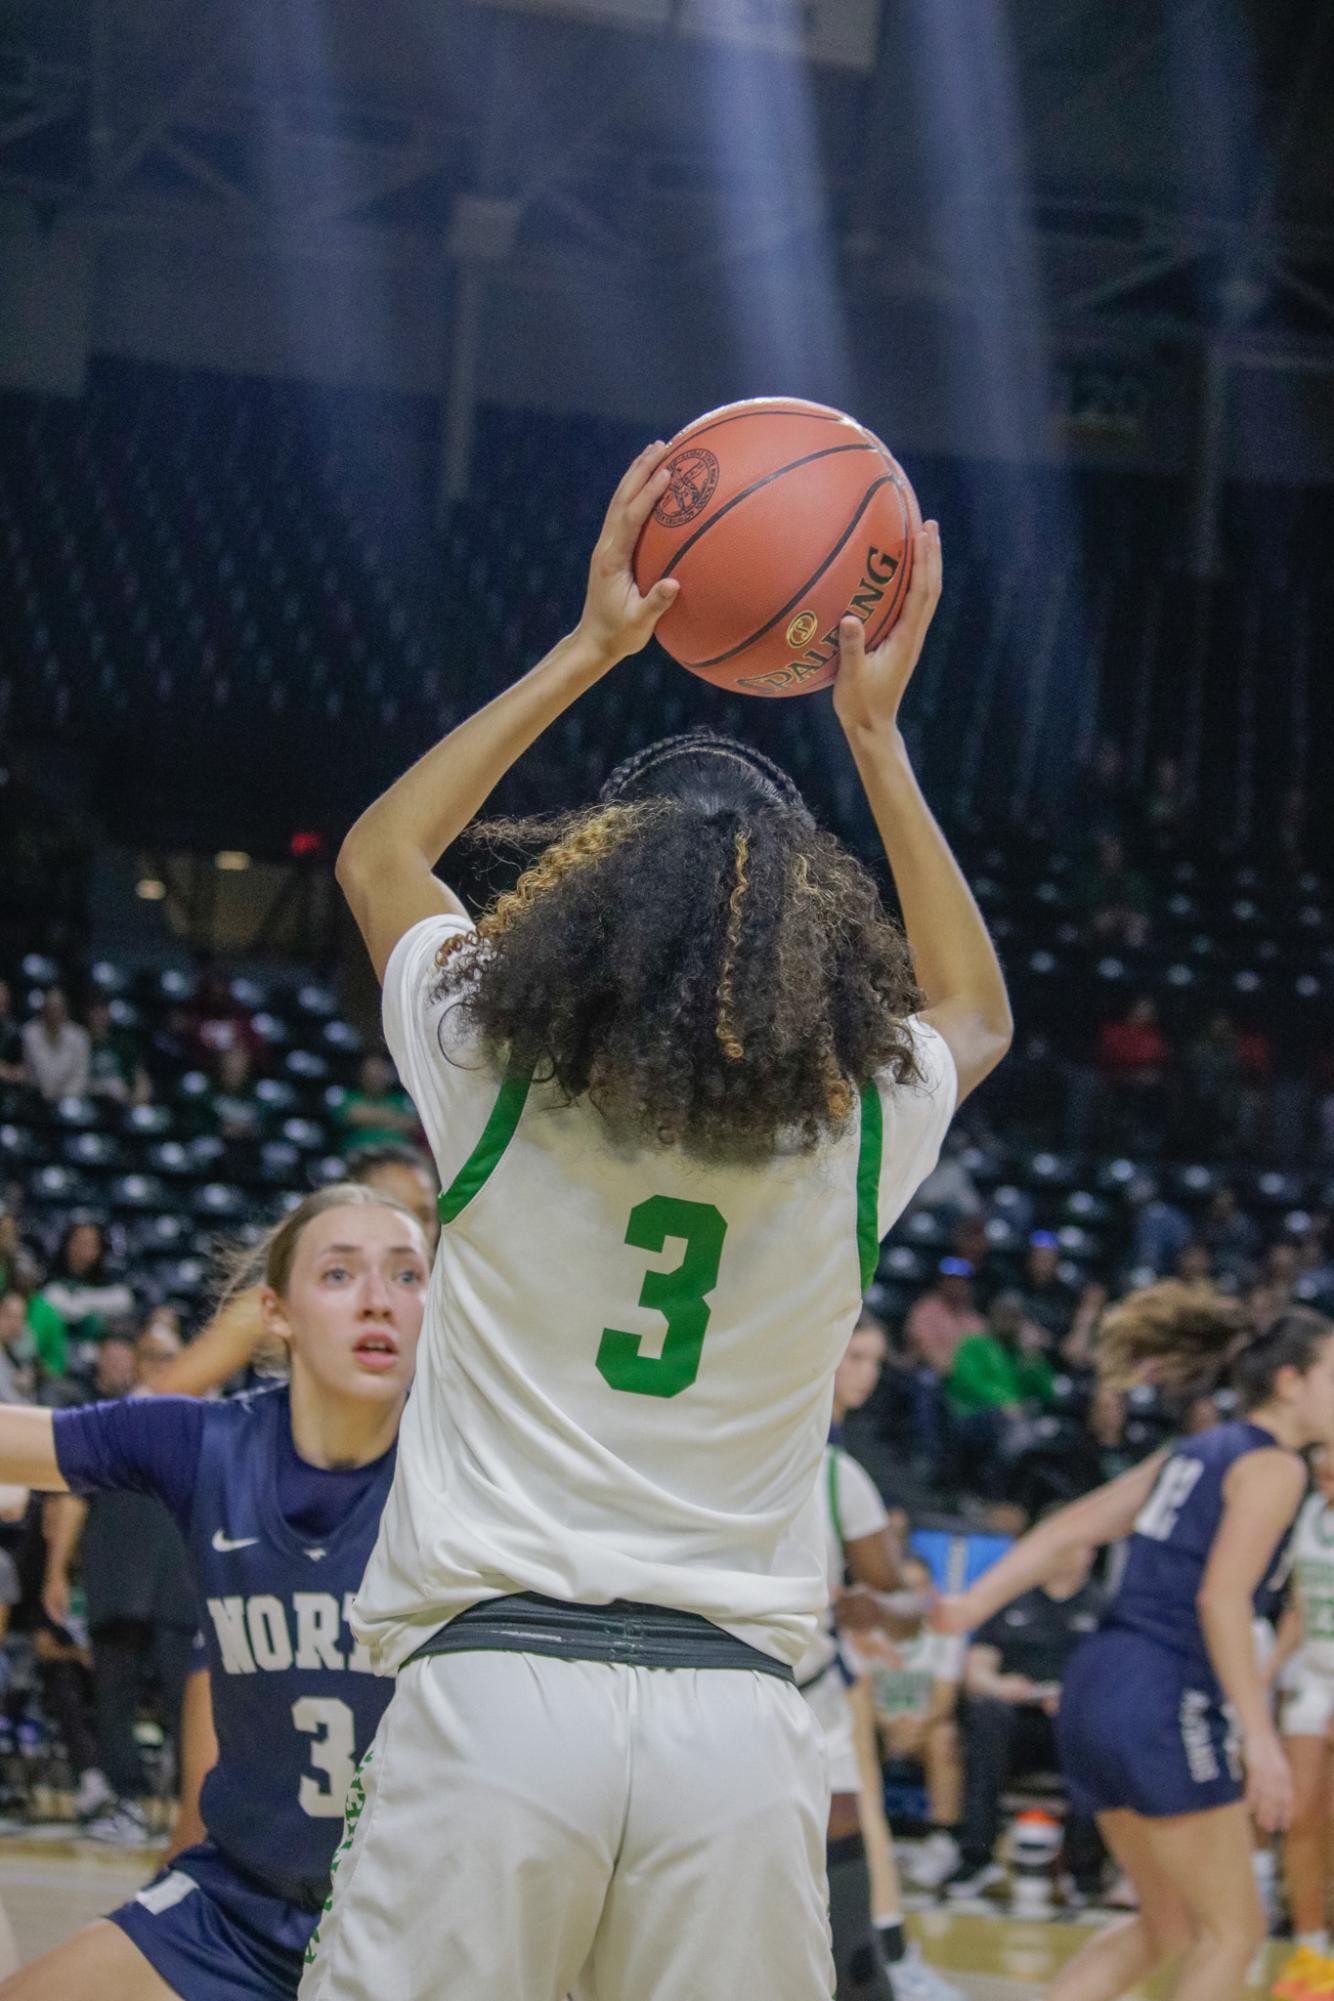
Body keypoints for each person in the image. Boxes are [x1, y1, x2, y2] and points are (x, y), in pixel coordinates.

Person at [310, 447, 1010, 2001]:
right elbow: (971, 1009)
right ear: (805, 935)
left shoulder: (491, 1073)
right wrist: (877, 738)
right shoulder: (854, 1127)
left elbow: (378, 856)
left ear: (583, 901)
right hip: (738, 1732)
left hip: (495, 1699)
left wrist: (590, 644)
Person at [0, 1182, 429, 2001]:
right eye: (340, 1274)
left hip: (421, 1924)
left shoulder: (475, 1473)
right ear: (275, 1311)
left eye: (407, 1276)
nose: (378, 1300)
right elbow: (27, 1443)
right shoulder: (201, 1443)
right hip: (239, 1908)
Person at [935, 1287, 1334, 2001]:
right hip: (1163, 1689)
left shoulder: (1191, 1451)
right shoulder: (1276, 1465)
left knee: (1169, 1924)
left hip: (1098, 1680)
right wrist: (1263, 1738)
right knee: (1233, 1932)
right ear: (1290, 1382)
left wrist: (971, 1602)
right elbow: (1222, 1597)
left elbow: (1069, 1528)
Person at [801, 1318, 962, 2001]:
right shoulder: (813, 1456)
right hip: (774, 1674)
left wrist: (864, 1610)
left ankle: (880, 1951)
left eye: (874, 1358)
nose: (865, 1371)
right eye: (854, 1355)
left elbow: (892, 1601)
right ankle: (881, 1951)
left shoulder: (840, 1464)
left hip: (819, 1670)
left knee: (854, 1810)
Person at [942, 1539, 1104, 1903]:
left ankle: (1085, 1871)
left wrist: (1075, 1697)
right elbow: (976, 1669)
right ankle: (976, 1856)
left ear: (1089, 1552)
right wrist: (1001, 1686)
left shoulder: (1104, 1607)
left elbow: (1119, 1677)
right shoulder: (1014, 1599)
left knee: (1098, 1728)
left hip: (1073, 1721)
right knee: (984, 1715)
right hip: (1015, 1721)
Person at [1267, 1448, 1334, 1996]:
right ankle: (1312, 1952)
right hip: (1315, 1673)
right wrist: (1264, 1671)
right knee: (1302, 1814)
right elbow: (1298, 1604)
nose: (1325, 1468)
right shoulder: (1310, 1512)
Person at [865, 1554, 964, 1893]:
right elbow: (859, 1693)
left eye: (917, 1587)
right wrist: (888, 1726)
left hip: (924, 1726)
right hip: (876, 1725)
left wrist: (913, 1728)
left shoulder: (945, 1633)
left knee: (944, 1738)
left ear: (930, 1592)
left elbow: (944, 1698)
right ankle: (863, 1837)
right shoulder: (866, 1633)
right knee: (852, 1733)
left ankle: (942, 1841)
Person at [333, 1054, 418, 1155]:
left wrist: (370, 1116)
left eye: (380, 1073)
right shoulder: (348, 1096)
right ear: (362, 1075)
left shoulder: (401, 1099)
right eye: (371, 1073)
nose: (376, 1077)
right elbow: (352, 1116)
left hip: (398, 1153)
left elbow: (412, 1124)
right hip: (360, 1152)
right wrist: (392, 1116)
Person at [21, 987, 91, 1102]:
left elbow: (80, 1076)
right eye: (50, 1008)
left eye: (58, 1008)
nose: (54, 1012)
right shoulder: (30, 1033)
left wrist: (66, 1099)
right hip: (36, 1099)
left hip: (70, 1099)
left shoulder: (79, 1036)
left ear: (65, 1010)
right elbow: (40, 1074)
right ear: (43, 1009)